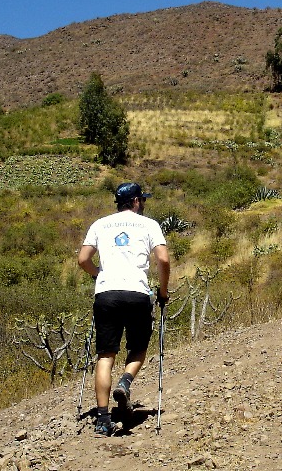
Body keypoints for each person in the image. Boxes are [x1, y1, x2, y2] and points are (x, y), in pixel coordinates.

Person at [78, 182, 170, 436]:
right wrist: (162, 291)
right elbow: (163, 258)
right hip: (137, 292)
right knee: (138, 347)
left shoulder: (100, 224)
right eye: (143, 200)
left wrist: (98, 275)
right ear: (137, 201)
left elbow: (83, 259)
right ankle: (125, 381)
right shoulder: (149, 225)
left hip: (106, 293)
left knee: (106, 355)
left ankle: (103, 419)